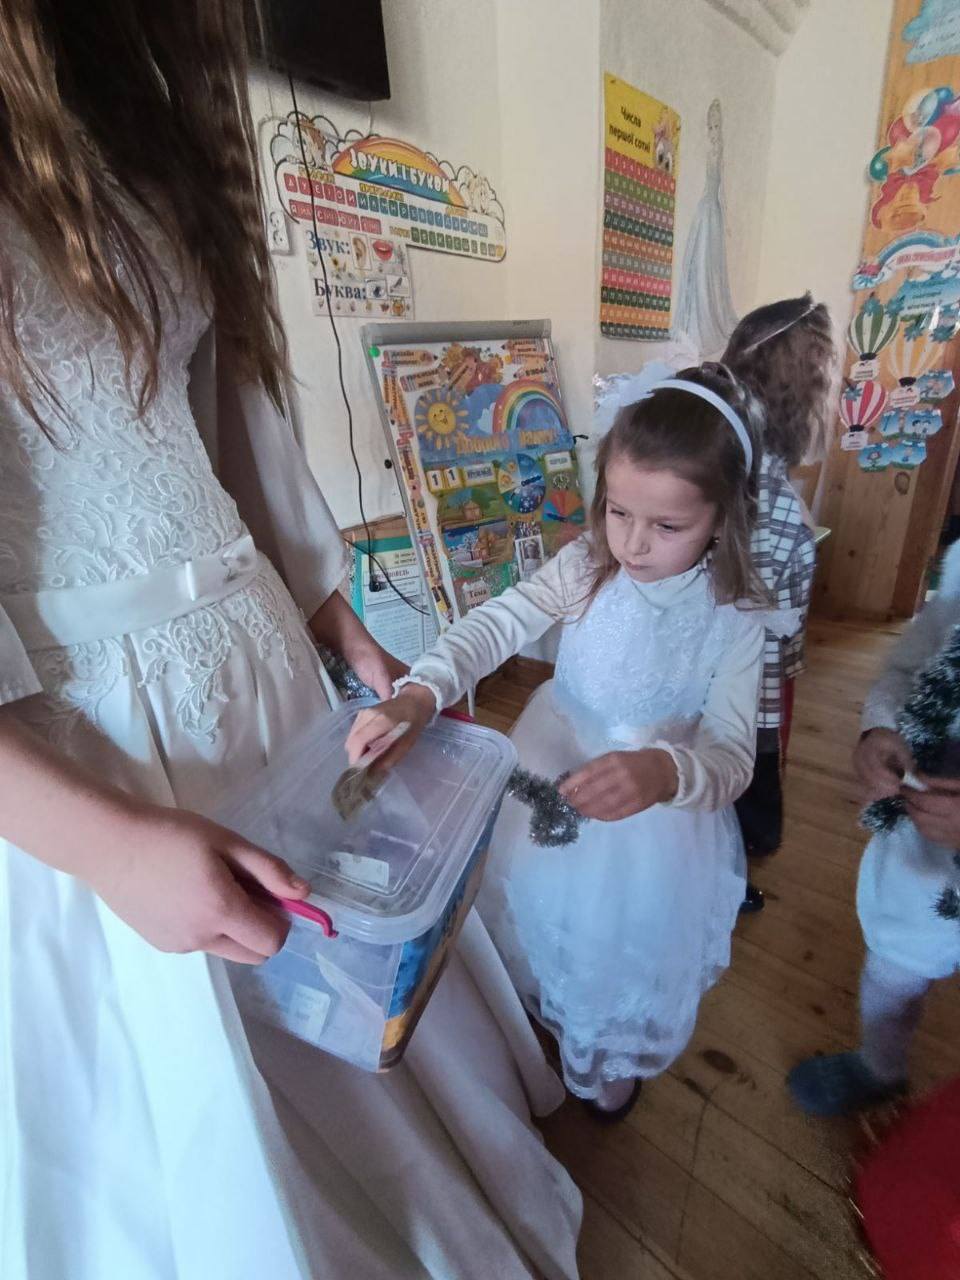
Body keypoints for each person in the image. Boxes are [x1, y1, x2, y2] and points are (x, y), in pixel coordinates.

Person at [0, 4, 581, 1277]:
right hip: (84, 738)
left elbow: (227, 413)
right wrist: (109, 844)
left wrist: (331, 609)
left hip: (260, 659)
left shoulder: (135, 103)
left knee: (349, 977)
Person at [348, 364, 773, 1119]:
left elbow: (734, 756)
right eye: (617, 510)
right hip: (550, 758)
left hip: (648, 818)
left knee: (610, 938)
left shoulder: (734, 617)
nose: (633, 543)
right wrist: (422, 690)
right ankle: (534, 1006)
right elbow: (498, 623)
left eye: (667, 526)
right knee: (528, 898)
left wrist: (666, 771)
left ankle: (601, 1050)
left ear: (723, 518)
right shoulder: (586, 566)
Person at [789, 540, 960, 1116]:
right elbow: (909, 665)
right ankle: (881, 1065)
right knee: (898, 958)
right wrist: (880, 729)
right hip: (926, 835)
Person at [721, 294, 836, 910]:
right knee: (743, 762)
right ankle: (728, 874)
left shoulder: (730, 439)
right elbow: (770, 612)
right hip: (750, 662)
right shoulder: (765, 485)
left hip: (728, 655)